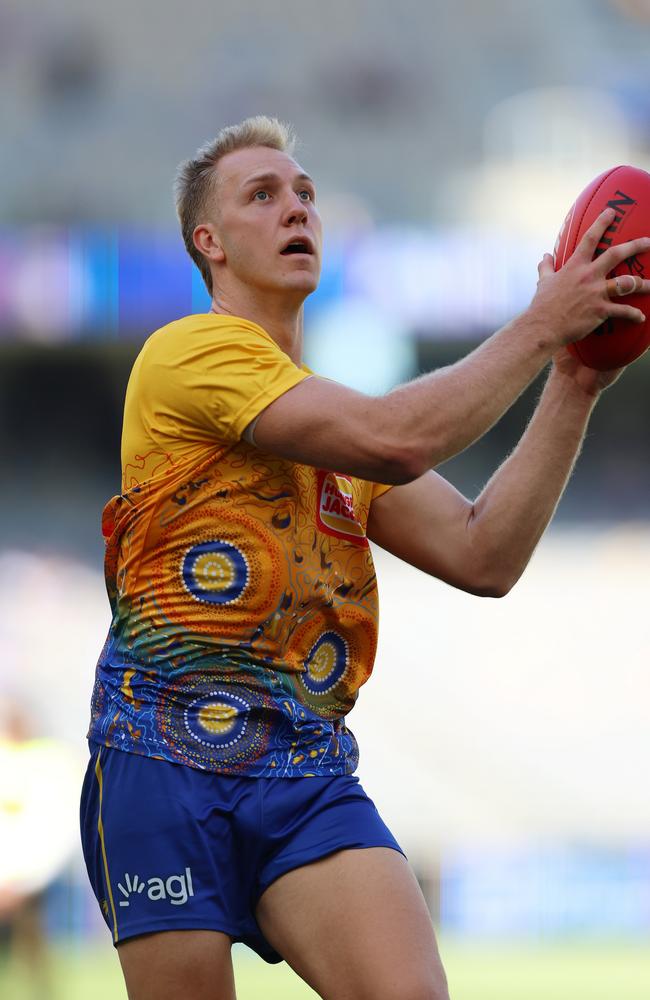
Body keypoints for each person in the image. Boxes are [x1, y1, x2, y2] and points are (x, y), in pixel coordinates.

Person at [79, 115, 650, 1000]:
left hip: (302, 765)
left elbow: (483, 552)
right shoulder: (188, 354)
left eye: (304, 193)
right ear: (210, 242)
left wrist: (574, 381)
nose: (295, 207)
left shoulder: (334, 423)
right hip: (164, 758)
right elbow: (397, 440)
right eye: (262, 195)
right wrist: (541, 326)